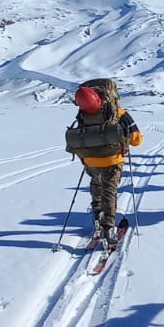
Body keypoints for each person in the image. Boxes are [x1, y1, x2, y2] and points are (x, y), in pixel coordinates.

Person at [65, 78, 142, 247]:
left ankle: (97, 217)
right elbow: (136, 139)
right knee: (110, 191)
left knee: (96, 186)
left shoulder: (83, 114)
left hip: (89, 159)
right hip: (113, 158)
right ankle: (109, 227)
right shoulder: (119, 112)